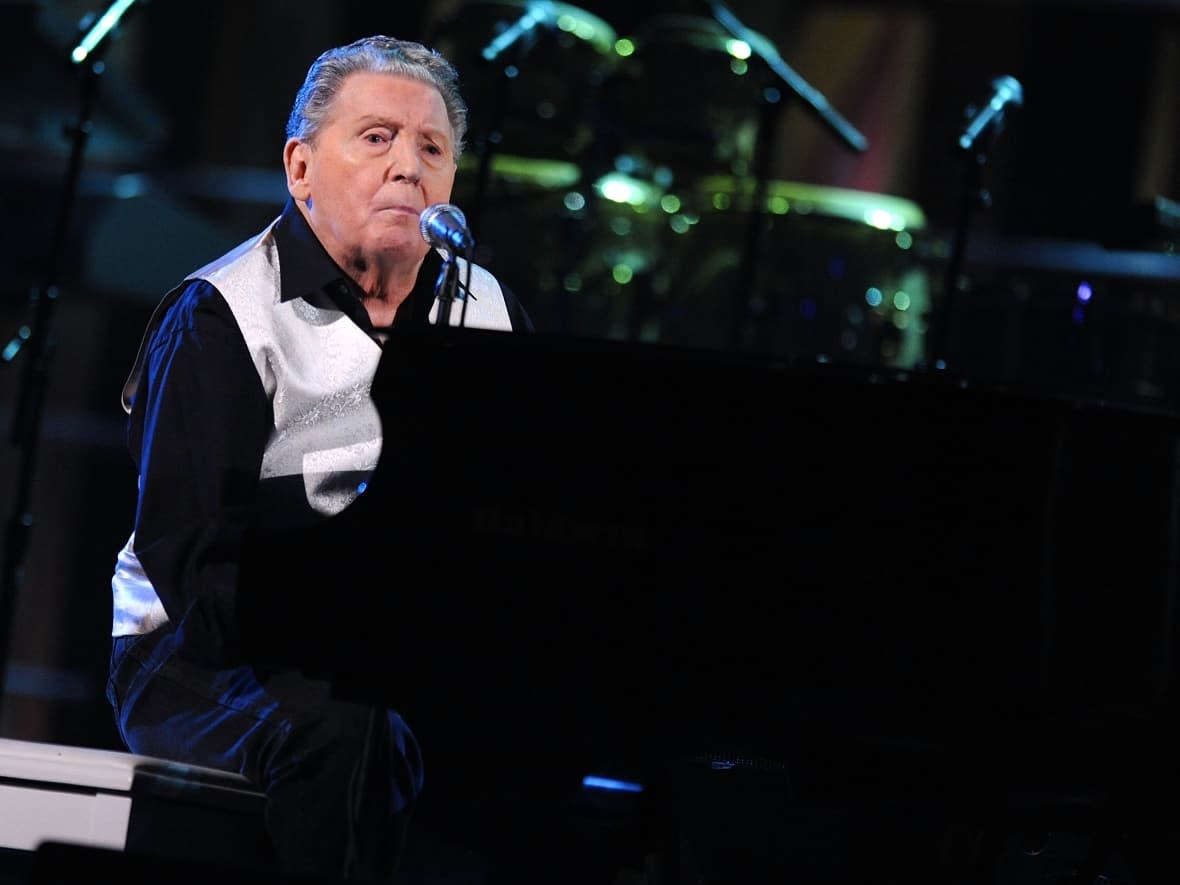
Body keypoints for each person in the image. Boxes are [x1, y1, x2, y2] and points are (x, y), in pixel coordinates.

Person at [104, 34, 533, 883]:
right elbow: (193, 567)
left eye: (431, 148)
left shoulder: (491, 311)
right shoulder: (220, 314)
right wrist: (350, 621)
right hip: (202, 655)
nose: (408, 167)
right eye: (377, 138)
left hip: (409, 650)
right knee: (350, 729)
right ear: (301, 168)